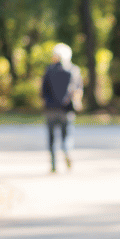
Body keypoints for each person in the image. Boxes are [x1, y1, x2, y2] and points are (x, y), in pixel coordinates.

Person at [40, 43, 83, 172]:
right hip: (66, 110)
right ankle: (67, 151)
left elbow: (43, 91)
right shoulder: (74, 70)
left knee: (51, 138)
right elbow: (77, 90)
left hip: (50, 110)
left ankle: (53, 165)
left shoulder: (49, 70)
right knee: (67, 135)